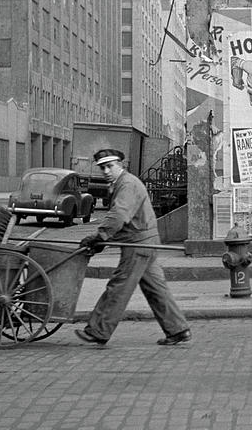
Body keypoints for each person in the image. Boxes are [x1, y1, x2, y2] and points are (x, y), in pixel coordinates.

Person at [75, 148, 192, 346]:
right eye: (102, 167)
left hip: (138, 244)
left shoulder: (127, 184)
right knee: (156, 289)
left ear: (120, 165)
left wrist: (99, 236)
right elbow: (124, 218)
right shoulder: (121, 183)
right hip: (143, 241)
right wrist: (102, 241)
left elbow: (120, 215)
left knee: (119, 286)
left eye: (110, 166)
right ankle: (178, 329)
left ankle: (99, 330)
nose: (106, 171)